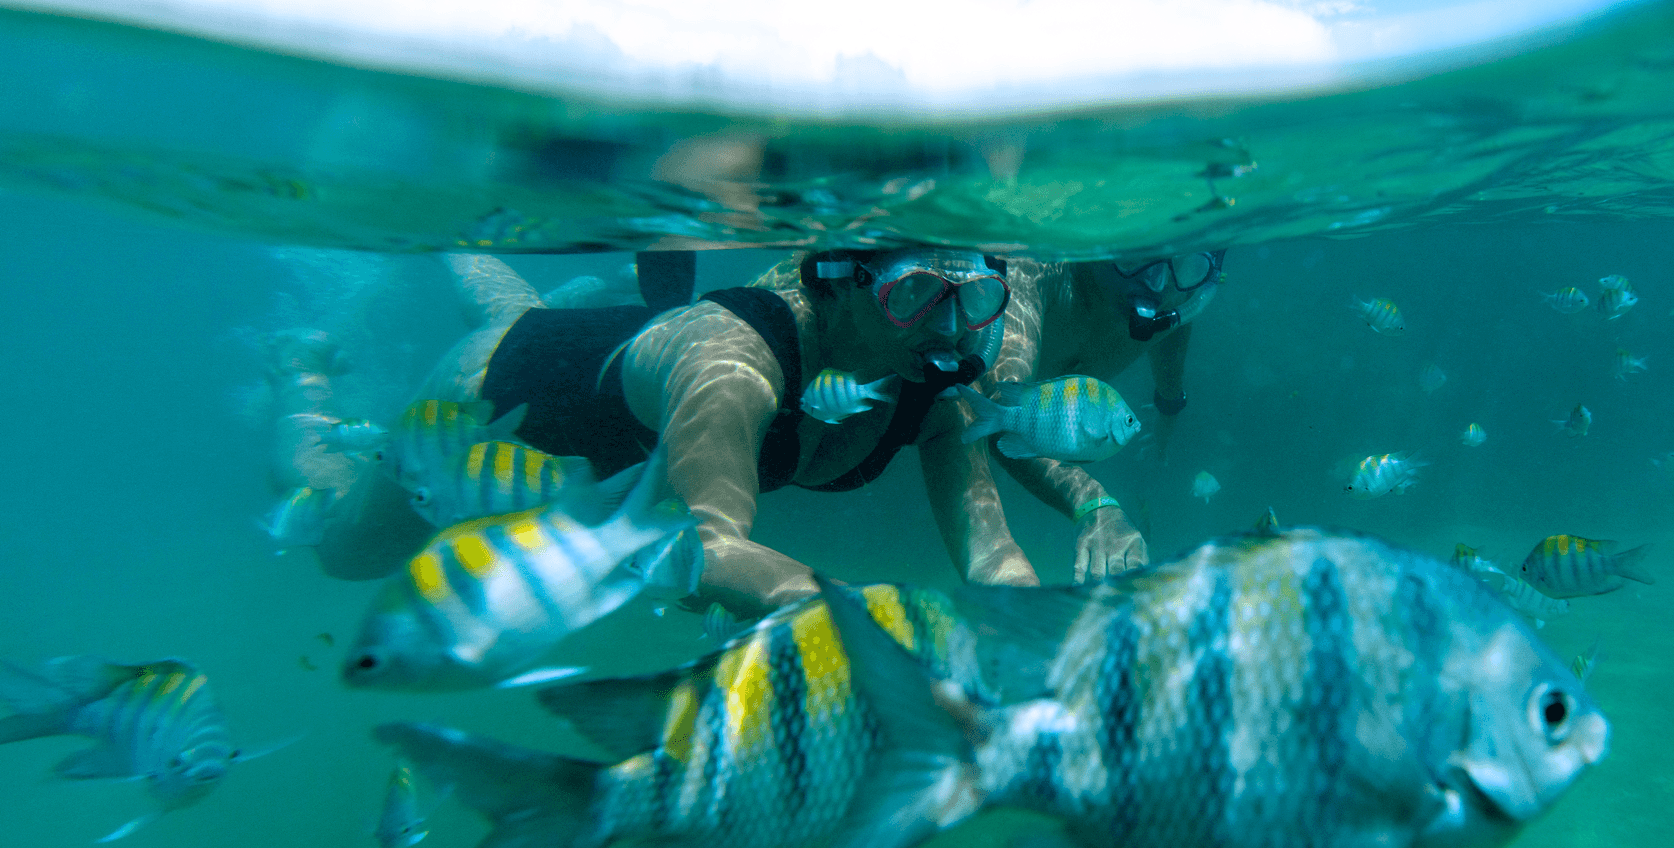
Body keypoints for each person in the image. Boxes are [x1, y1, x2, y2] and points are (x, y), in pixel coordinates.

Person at [272, 246, 1041, 615]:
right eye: (913, 294)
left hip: (593, 353)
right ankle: (302, 385)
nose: (945, 326)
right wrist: (890, 638)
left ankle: (474, 256)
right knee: (345, 550)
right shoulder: (732, 359)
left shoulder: (929, 387)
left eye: (972, 298)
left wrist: (1053, 641)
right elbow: (711, 545)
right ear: (835, 285)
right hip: (497, 387)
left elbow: (992, 552)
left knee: (525, 315)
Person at [986, 252, 1223, 582]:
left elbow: (1173, 340)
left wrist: (1168, 412)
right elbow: (999, 408)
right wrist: (1092, 502)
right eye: (1137, 256)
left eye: (1184, 265)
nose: (1157, 284)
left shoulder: (1178, 295)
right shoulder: (1035, 270)